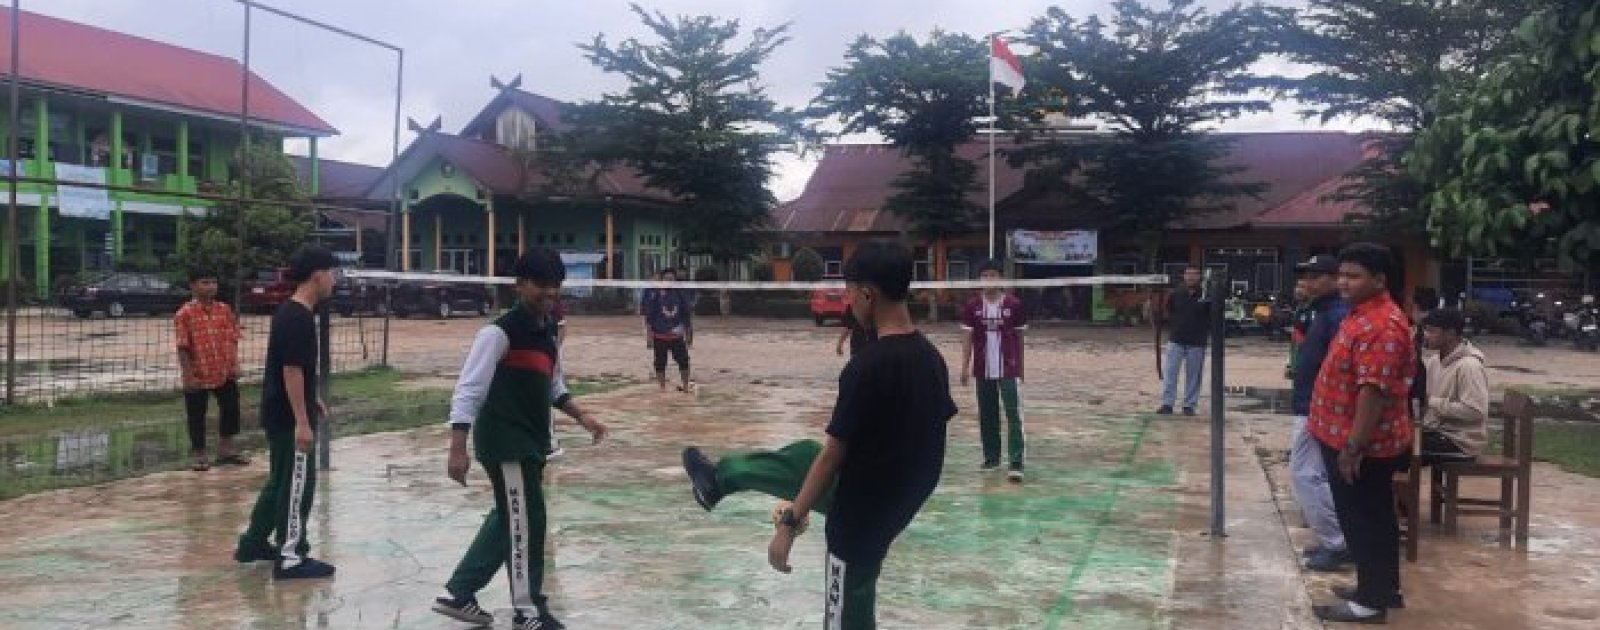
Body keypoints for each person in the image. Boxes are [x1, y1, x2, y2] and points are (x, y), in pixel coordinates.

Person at [680, 239, 956, 629]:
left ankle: (722, 481)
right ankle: (719, 481)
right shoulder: (931, 358)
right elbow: (932, 438)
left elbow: (833, 457)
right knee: (803, 457)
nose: (847, 302)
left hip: (860, 515)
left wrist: (789, 525)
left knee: (846, 613)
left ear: (866, 293)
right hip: (897, 496)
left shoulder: (866, 368)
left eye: (848, 292)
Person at [432, 248, 610, 630]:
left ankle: (459, 593)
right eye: (542, 286)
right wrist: (457, 448)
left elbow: (553, 384)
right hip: (505, 444)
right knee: (526, 522)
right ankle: (528, 611)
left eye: (556, 287)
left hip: (531, 444)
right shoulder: (498, 332)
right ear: (520, 285)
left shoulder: (546, 332)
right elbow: (468, 390)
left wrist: (582, 417)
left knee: (513, 516)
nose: (550, 294)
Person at [1308, 242, 1416, 624]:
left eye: (1353, 276)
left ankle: (1371, 603)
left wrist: (1354, 447)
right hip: (1338, 435)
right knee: (1369, 519)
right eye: (1341, 275)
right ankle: (1378, 586)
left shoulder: (1384, 325)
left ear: (1379, 280)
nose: (1343, 283)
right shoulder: (1361, 314)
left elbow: (1372, 392)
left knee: (1364, 521)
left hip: (1362, 446)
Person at [232, 245, 338, 579]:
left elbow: (296, 372)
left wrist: (312, 397)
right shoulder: (297, 317)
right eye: (333, 273)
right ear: (318, 275)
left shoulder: (292, 312)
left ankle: (252, 544)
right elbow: (291, 371)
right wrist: (303, 423)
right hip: (289, 418)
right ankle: (291, 555)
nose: (335, 280)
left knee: (279, 482)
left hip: (282, 410)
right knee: (297, 485)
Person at [1286, 256, 1352, 573]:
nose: (1308, 282)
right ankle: (1337, 540)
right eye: (1305, 276)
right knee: (1312, 474)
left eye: (1315, 276)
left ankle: (1339, 543)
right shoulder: (1321, 312)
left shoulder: (1338, 315)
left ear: (1332, 279)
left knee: (1305, 474)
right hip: (1309, 403)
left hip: (1317, 407)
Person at [960, 259, 1028, 481]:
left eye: (993, 275)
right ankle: (992, 458)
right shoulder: (972, 307)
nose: (989, 279)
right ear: (980, 279)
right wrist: (964, 366)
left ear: (1000, 278)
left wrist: (1021, 368)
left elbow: (1019, 338)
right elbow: (967, 337)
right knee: (987, 415)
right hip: (982, 369)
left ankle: (1016, 463)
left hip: (1009, 368)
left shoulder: (1014, 305)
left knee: (1013, 413)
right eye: (985, 275)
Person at [174, 268, 245, 472]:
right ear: (193, 286)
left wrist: (235, 364)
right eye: (205, 282)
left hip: (223, 369)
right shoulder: (184, 314)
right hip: (198, 371)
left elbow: (232, 339)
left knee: (231, 408)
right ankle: (200, 455)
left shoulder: (224, 309)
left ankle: (226, 450)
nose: (211, 286)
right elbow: (182, 346)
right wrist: (188, 375)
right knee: (197, 414)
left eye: (213, 282)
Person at [1418, 308, 1490, 462]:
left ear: (1450, 333)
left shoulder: (1469, 366)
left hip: (1460, 441)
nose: (1426, 335)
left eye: (1432, 331)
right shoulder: (1434, 361)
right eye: (1425, 330)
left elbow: (1475, 411)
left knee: (1403, 451)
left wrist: (1432, 402)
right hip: (1437, 432)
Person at [1158, 265, 1210, 415]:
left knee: (1194, 375)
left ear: (1199, 276)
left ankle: (1189, 405)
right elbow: (1169, 311)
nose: (1191, 277)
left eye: (1195, 274)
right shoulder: (1176, 293)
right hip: (1176, 339)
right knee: (1170, 373)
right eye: (1189, 274)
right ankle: (1167, 404)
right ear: (1184, 276)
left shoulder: (1205, 295)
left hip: (1197, 341)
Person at [642, 268, 694, 392]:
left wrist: (689, 335)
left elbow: (687, 315)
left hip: (677, 336)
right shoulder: (655, 295)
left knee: (684, 361)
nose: (669, 281)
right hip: (659, 336)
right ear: (662, 280)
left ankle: (686, 386)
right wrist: (649, 337)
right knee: (660, 363)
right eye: (666, 279)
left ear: (675, 280)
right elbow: (649, 317)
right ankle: (662, 388)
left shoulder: (681, 294)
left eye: (672, 279)